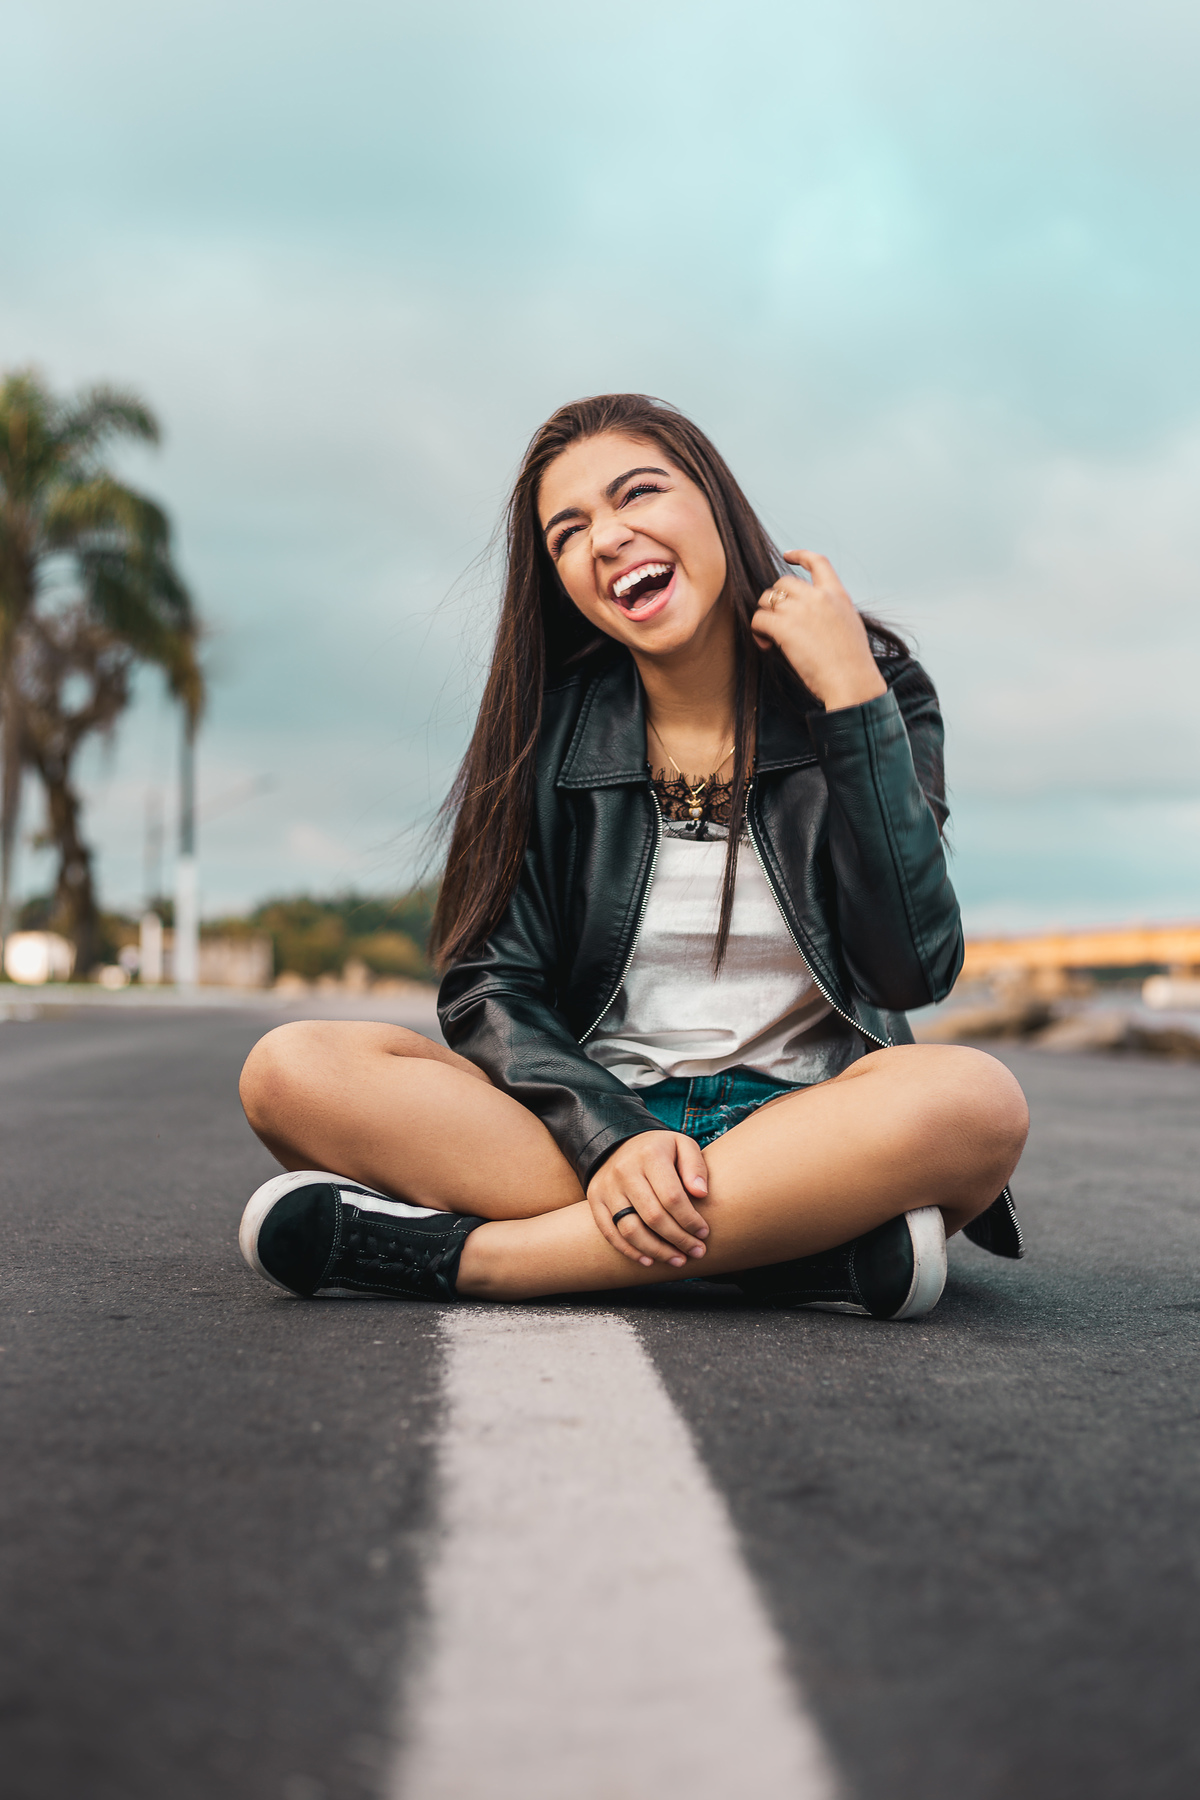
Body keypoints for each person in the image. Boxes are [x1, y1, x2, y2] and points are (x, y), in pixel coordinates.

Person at [237, 393, 1028, 1321]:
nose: (607, 538)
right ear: (561, 579)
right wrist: (611, 1135)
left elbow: (911, 969)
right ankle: (788, 1251)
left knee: (974, 1099)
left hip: (811, 1127)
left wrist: (852, 698)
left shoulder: (875, 685)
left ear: (715, 502)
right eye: (568, 532)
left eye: (637, 493)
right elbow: (491, 985)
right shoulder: (546, 728)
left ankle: (482, 1261)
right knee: (291, 1070)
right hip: (586, 1128)